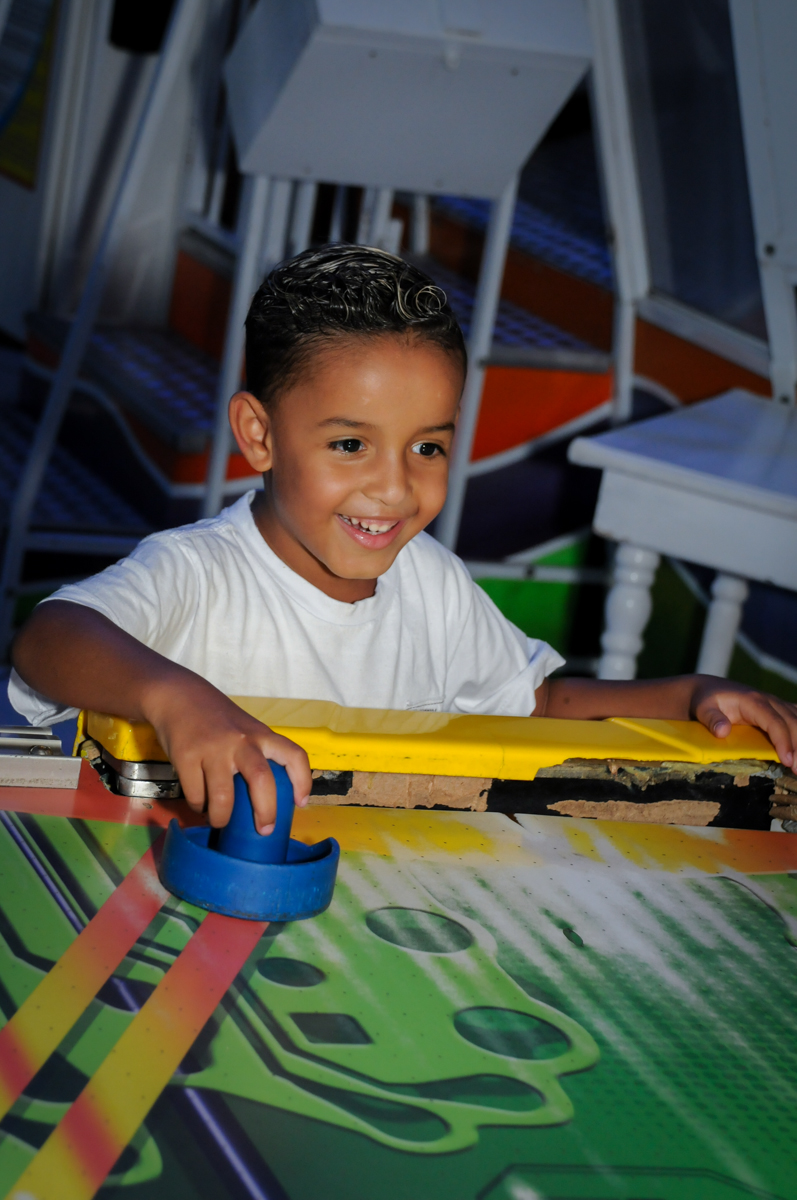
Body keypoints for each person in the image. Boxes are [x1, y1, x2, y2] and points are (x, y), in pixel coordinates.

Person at [9, 246, 797, 834]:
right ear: (259, 434)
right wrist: (180, 701)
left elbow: (537, 704)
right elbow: (51, 636)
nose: (393, 488)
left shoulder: (432, 582)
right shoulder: (199, 574)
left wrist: (688, 695)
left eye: (426, 447)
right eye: (350, 445)